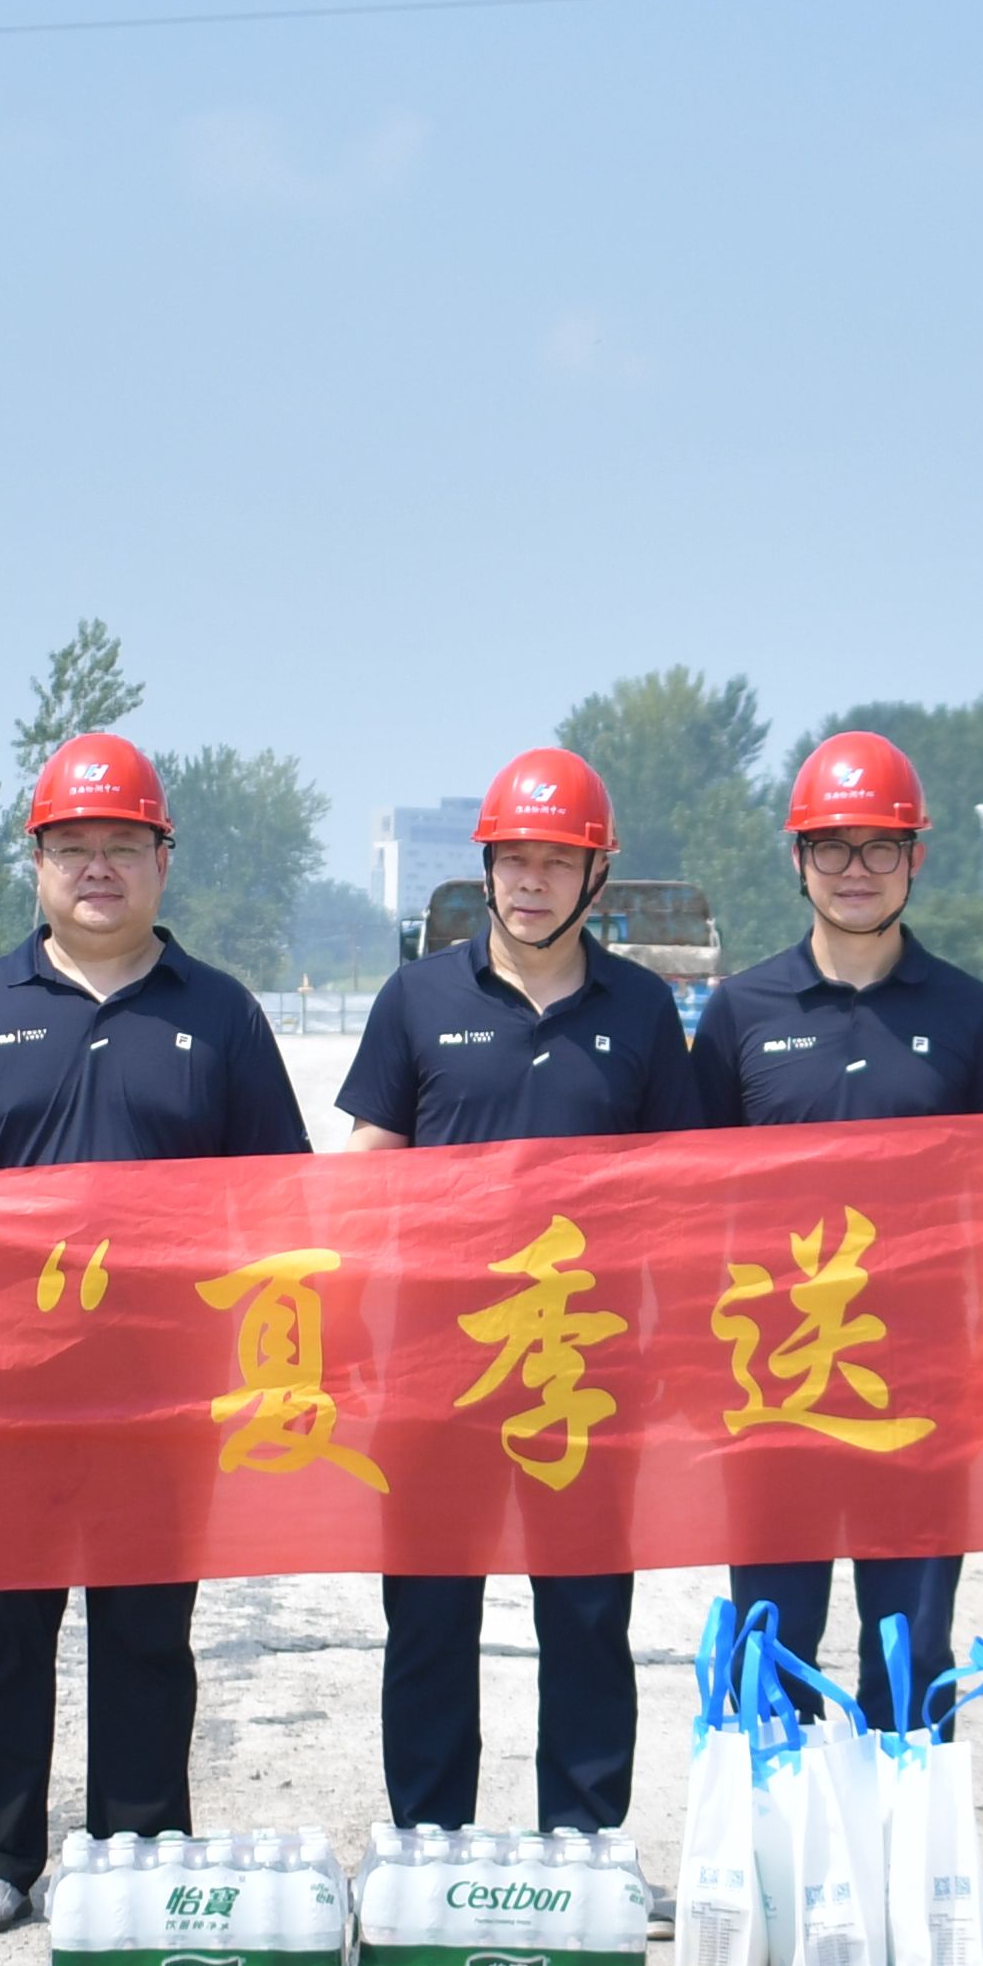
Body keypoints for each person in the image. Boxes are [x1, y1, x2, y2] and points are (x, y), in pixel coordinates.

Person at [0, 732, 312, 1935]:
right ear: (37, 863)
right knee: (3, 1626)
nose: (97, 868)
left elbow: (279, 1199)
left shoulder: (219, 1013)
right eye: (73, 846)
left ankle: (140, 1850)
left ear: (164, 860)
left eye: (122, 844)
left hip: (163, 1391)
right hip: (5, 1386)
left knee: (147, 1631)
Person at [336, 745, 702, 1834]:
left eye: (557, 861)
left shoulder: (643, 1009)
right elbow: (366, 1169)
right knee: (430, 1617)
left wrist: (675, 1349)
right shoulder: (417, 999)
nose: (532, 882)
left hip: (585, 1366)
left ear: (597, 875)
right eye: (514, 860)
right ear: (485, 868)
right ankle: (428, 1840)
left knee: (586, 1616)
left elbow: (678, 1191)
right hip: (436, 1370)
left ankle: (583, 1841)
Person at [687, 729, 983, 1705]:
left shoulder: (970, 1015)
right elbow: (687, 1201)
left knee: (910, 1655)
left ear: (915, 859)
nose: (856, 870)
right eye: (833, 846)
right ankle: (774, 1808)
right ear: (799, 859)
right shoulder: (740, 1012)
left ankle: (907, 1810)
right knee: (771, 1648)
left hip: (922, 1385)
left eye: (881, 846)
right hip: (775, 1383)